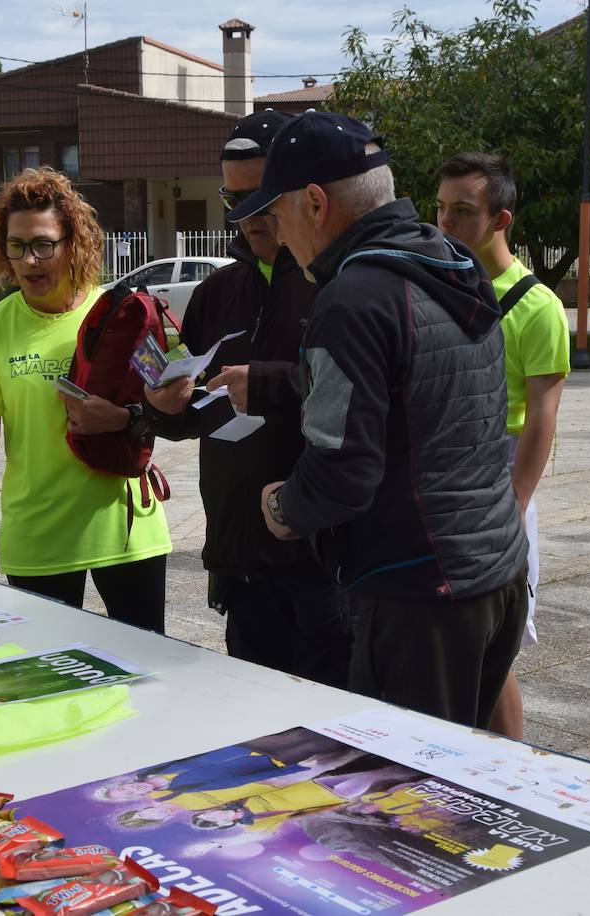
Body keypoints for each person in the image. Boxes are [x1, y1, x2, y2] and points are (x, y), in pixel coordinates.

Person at [227, 112, 529, 729]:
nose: (279, 237)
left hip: (418, 589)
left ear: (314, 203)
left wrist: (283, 508)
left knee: (411, 794)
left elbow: (342, 470)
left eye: (277, 215)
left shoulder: (353, 297)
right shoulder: (449, 261)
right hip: (495, 567)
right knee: (468, 776)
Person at [143, 110, 350, 686]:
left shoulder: (339, 286)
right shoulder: (217, 291)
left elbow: (364, 393)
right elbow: (196, 413)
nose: (245, 216)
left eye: (260, 196)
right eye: (232, 198)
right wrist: (166, 410)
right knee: (257, 725)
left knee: (335, 726)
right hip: (241, 550)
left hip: (322, 550)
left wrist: (268, 381)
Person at [0, 168, 171, 632]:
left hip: (126, 529)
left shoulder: (123, 316)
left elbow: (167, 405)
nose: (30, 261)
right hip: (38, 536)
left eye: (43, 244)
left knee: (147, 679)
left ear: (73, 242)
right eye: (17, 246)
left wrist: (124, 418)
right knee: (52, 680)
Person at [435, 153, 570, 739]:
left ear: (500, 219)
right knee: (445, 644)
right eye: (440, 209)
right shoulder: (436, 289)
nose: (446, 224)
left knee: (495, 654)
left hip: (498, 490)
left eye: (463, 212)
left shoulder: (536, 306)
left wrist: (512, 507)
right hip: (442, 490)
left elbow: (542, 419)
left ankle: (512, 775)